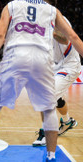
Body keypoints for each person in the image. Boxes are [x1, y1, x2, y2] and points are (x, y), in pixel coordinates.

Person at [0, 0, 83, 161]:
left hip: (68, 64)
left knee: (48, 98)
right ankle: (65, 125)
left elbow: (68, 39)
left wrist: (51, 30)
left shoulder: (22, 7)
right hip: (48, 63)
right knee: (52, 100)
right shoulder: (49, 10)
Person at [33, 16, 81, 147]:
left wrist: (48, 31)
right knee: (58, 99)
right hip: (54, 65)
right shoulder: (36, 21)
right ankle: (67, 122)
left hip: (69, 65)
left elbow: (65, 39)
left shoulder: (60, 19)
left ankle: (46, 133)